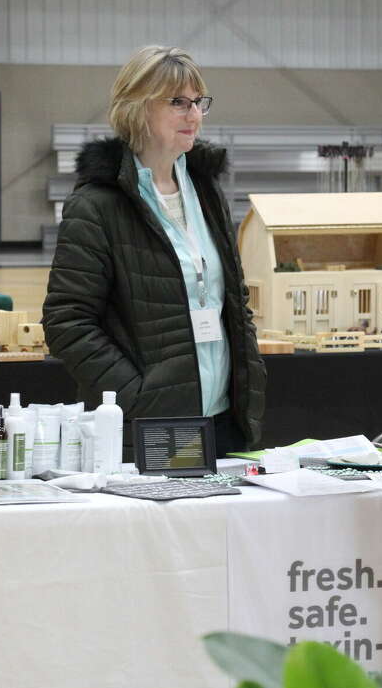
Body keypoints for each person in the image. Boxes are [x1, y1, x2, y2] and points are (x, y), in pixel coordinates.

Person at [42, 46, 266, 459]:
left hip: (224, 418)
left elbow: (232, 300)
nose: (194, 115)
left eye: (199, 102)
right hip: (151, 425)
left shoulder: (205, 191)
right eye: (178, 103)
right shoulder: (97, 204)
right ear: (137, 108)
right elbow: (67, 322)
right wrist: (137, 395)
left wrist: (249, 379)